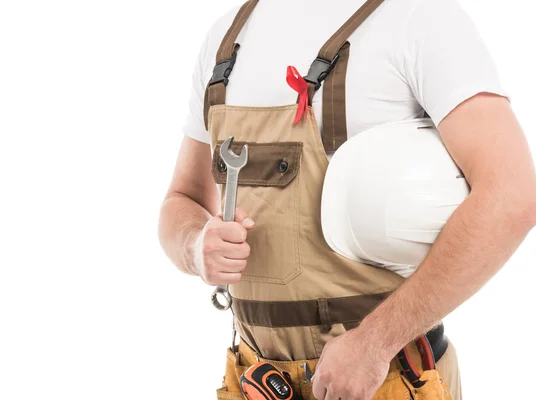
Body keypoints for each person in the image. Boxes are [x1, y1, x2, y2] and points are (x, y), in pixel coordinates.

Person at [158, 0, 536, 399]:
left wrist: (376, 342)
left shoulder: (419, 19)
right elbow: (181, 199)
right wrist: (195, 246)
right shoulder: (226, 39)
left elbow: (512, 193)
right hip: (258, 382)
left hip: (383, 379)